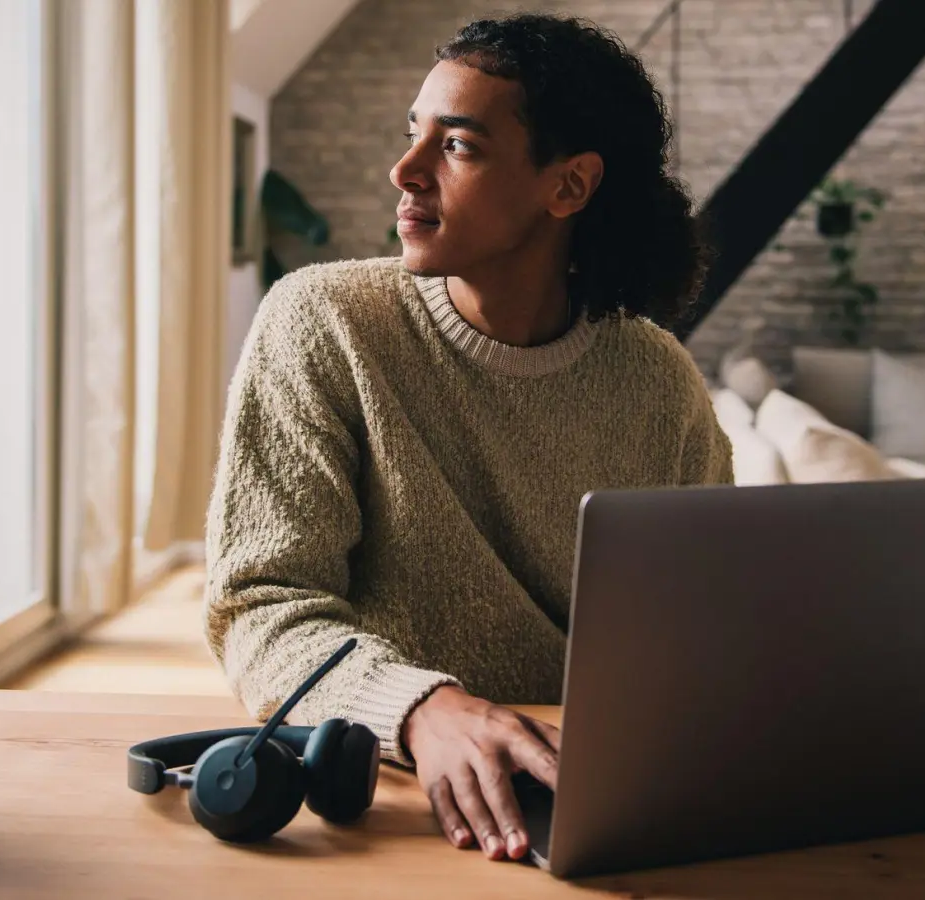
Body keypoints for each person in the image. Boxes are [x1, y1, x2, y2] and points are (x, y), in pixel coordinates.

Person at [204, 12, 732, 863]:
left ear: (569, 187)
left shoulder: (658, 382)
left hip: (588, 791)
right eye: (414, 135)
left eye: (457, 146)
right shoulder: (322, 323)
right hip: (399, 790)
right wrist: (419, 707)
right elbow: (260, 604)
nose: (404, 170)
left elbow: (708, 626)